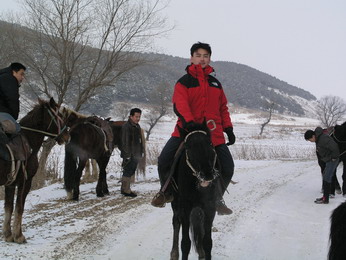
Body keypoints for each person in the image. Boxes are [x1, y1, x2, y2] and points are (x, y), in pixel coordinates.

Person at [151, 42, 236, 215]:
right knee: (164, 160)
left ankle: (217, 197)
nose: (202, 59)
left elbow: (223, 108)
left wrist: (228, 128)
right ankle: (166, 191)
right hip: (186, 132)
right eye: (198, 55)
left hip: (213, 135)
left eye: (206, 56)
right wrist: (189, 122)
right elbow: (180, 104)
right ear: (191, 58)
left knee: (228, 166)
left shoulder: (215, 84)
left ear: (210, 58)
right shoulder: (184, 82)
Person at [305, 127, 340, 204]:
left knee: (327, 177)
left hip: (332, 159)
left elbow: (334, 146)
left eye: (310, 140)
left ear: (313, 136)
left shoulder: (323, 139)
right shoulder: (319, 139)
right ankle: (325, 197)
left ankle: (326, 199)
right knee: (325, 176)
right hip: (329, 159)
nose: (311, 141)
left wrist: (334, 157)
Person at [120, 108, 145, 198]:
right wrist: (127, 155)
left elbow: (139, 141)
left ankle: (125, 189)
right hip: (130, 154)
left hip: (136, 153)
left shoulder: (136, 126)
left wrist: (141, 151)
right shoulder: (127, 126)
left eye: (139, 117)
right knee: (128, 171)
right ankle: (126, 190)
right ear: (131, 116)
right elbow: (125, 142)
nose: (138, 118)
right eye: (136, 117)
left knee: (131, 171)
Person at [0, 62, 26, 144]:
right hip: (2, 111)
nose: (22, 78)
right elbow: (12, 100)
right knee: (16, 128)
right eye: (21, 74)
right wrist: (14, 117)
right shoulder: (9, 79)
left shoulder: (3, 77)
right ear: (14, 72)